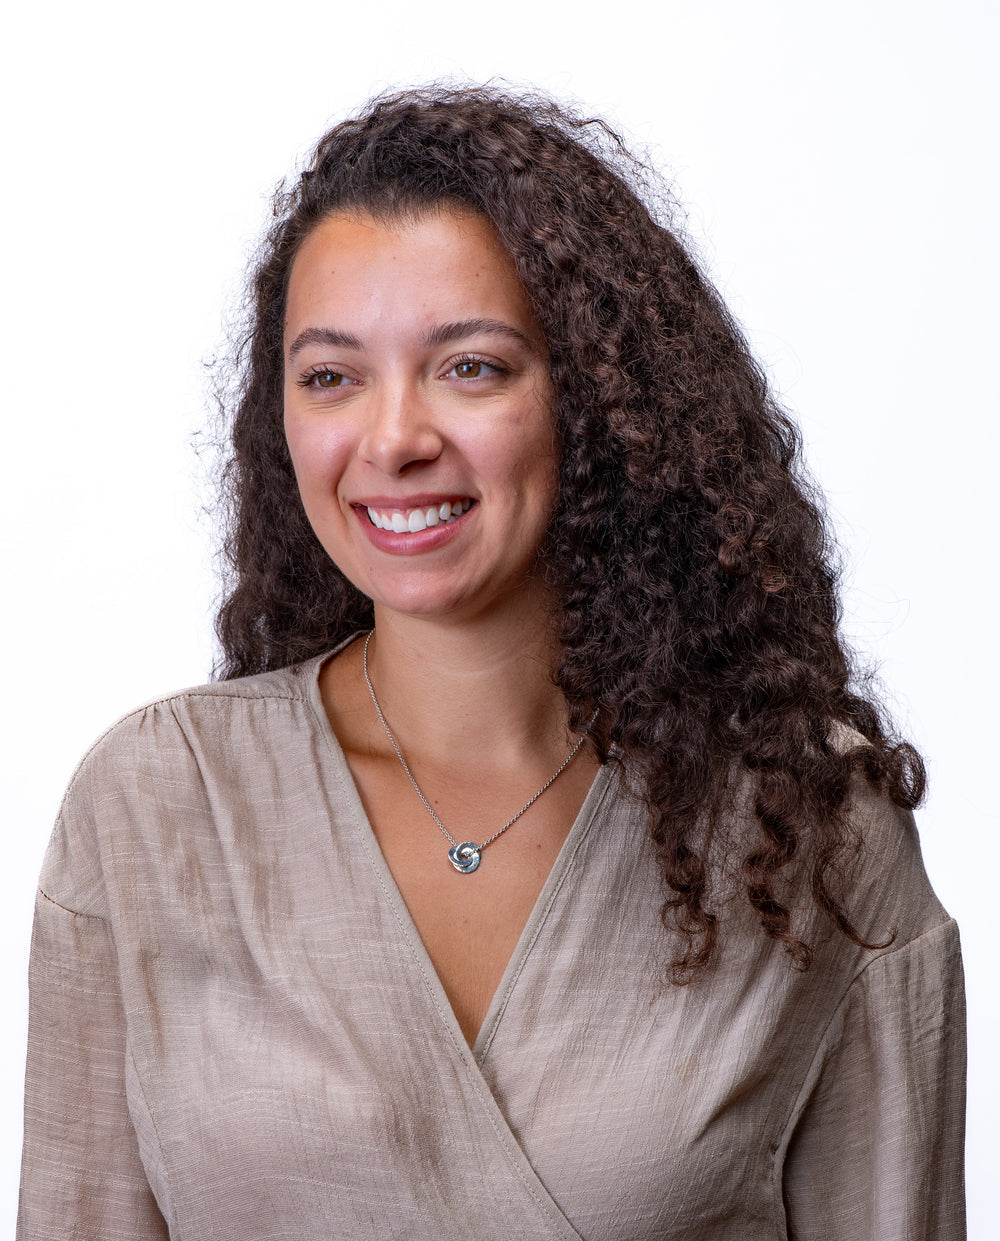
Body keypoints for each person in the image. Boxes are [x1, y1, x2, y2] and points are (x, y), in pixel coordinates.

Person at [17, 86, 965, 1240]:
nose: (393, 436)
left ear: (601, 402)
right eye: (329, 375)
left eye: (469, 367)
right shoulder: (157, 806)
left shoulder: (806, 817)